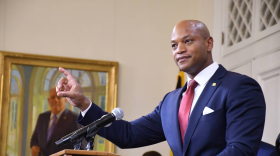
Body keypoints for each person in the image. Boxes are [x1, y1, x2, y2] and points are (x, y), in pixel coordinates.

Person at [56, 20, 266, 156]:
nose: (179, 50)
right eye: (174, 45)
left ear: (209, 44)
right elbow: (129, 135)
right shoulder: (171, 101)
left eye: (188, 41)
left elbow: (240, 150)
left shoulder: (239, 87)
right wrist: (83, 103)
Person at [30, 87, 82, 156]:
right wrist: (34, 147)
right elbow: (34, 139)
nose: (56, 100)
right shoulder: (42, 117)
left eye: (59, 97)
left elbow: (81, 147)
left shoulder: (75, 119)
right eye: (53, 97)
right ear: (49, 100)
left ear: (65, 100)